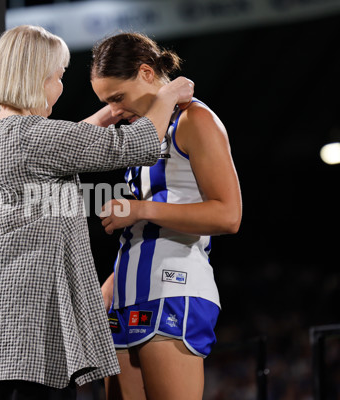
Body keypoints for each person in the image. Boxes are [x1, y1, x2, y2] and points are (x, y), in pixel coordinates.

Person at [0, 25, 194, 399]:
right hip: (23, 326)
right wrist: (169, 94)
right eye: (58, 77)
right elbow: (132, 147)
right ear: (37, 79)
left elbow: (56, 149)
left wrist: (107, 114)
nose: (59, 88)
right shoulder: (32, 135)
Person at [90, 32, 242, 400]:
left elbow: (229, 214)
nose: (116, 111)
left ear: (145, 72)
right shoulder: (143, 131)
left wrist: (140, 208)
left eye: (117, 98)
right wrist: (113, 281)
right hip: (126, 294)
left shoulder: (195, 120)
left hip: (175, 288)